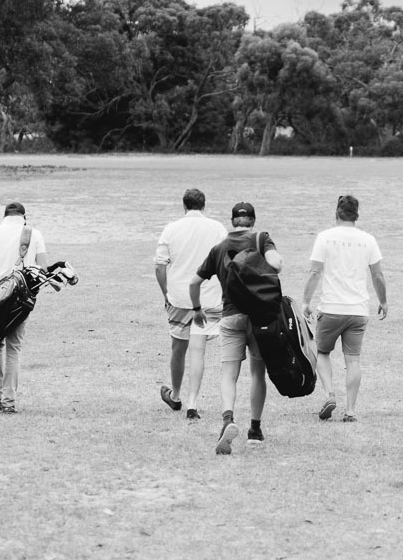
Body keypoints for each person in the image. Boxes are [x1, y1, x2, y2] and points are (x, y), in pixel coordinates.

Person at [192, 201, 283, 455]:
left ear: (233, 221)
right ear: (253, 220)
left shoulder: (220, 248)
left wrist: (197, 309)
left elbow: (194, 282)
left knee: (228, 373)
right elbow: (276, 264)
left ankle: (228, 418)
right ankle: (255, 430)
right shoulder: (261, 239)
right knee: (257, 372)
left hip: (231, 316)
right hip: (259, 318)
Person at [302, 194, 388, 423]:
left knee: (321, 352)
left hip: (330, 308)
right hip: (358, 310)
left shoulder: (324, 238)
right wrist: (383, 300)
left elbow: (314, 272)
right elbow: (377, 274)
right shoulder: (368, 240)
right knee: (353, 360)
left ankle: (330, 393)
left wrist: (305, 302)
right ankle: (350, 410)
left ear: (337, 213)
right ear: (356, 215)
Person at [0, 201, 50, 414]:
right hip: (20, 299)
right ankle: (9, 401)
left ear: (4, 216)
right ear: (24, 217)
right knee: (14, 349)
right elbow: (42, 268)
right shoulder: (35, 234)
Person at [154, 187, 227, 420]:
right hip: (210, 298)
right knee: (199, 351)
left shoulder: (172, 228)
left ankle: (176, 396)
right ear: (204, 206)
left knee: (179, 348)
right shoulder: (218, 228)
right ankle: (193, 402)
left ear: (184, 206)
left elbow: (159, 265)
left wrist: (165, 291)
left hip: (180, 298)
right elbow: (228, 264)